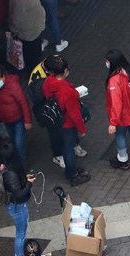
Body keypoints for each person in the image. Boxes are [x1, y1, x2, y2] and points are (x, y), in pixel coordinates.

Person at [42, 56, 91, 186]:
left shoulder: (48, 82)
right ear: (64, 71)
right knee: (69, 148)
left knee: (64, 146)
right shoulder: (68, 92)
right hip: (67, 124)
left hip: (56, 120)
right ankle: (73, 175)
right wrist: (82, 129)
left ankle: (71, 170)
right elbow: (74, 114)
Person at [0, 145, 36, 256]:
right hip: (17, 205)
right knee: (21, 232)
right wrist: (29, 184)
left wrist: (25, 179)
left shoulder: (5, 168)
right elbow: (19, 193)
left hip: (16, 204)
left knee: (22, 230)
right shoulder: (11, 174)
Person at [0, 65, 32, 168]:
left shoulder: (13, 86)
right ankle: (17, 160)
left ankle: (22, 168)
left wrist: (27, 120)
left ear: (4, 77)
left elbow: (23, 102)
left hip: (18, 119)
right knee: (13, 143)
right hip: (6, 120)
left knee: (18, 144)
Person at [8, 0, 46, 81]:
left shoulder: (19, 2)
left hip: (27, 32)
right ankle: (39, 71)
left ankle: (33, 76)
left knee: (29, 57)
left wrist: (13, 30)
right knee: (37, 52)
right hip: (37, 27)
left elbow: (17, 19)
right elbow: (41, 9)